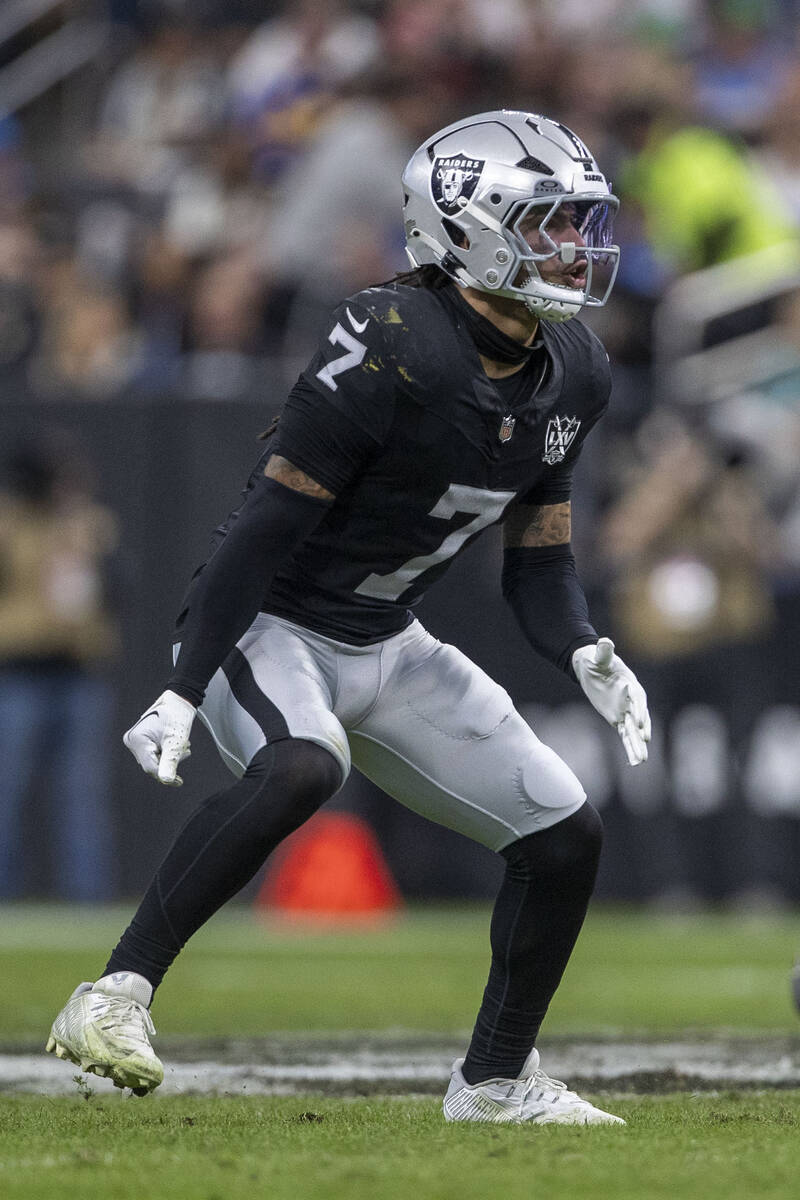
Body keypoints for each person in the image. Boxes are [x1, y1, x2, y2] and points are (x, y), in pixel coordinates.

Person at [46, 110, 650, 1124]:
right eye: (546, 222)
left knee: (562, 833)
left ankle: (494, 1082)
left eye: (578, 224)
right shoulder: (391, 340)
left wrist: (584, 644)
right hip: (272, 625)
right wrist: (184, 685)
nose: (572, 248)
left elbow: (537, 564)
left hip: (388, 638)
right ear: (467, 229)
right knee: (300, 765)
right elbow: (265, 523)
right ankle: (112, 995)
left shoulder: (574, 369)